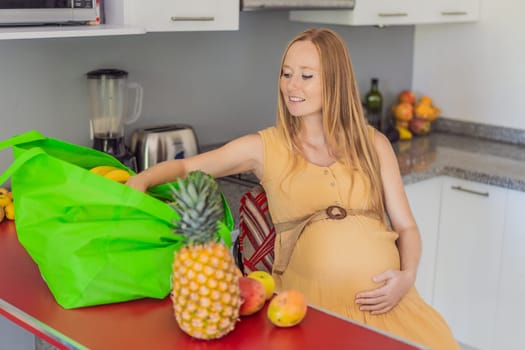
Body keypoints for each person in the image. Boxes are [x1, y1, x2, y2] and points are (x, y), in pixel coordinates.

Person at [126, 28, 459, 349]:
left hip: (390, 308)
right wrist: (142, 180)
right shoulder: (264, 146)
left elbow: (406, 226)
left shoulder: (374, 144)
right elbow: (186, 167)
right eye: (286, 74)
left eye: (306, 75)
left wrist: (407, 276)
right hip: (310, 312)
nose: (291, 85)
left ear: (335, 81)